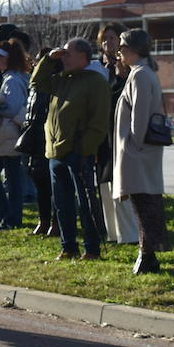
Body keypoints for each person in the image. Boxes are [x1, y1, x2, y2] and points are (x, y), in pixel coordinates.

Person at [30, 37, 111, 260]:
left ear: (83, 56)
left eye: (68, 54)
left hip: (78, 152)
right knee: (62, 204)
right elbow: (36, 83)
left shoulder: (96, 82)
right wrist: (48, 59)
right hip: (55, 151)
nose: (63, 58)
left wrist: (85, 148)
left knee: (85, 203)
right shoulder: (61, 80)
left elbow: (99, 121)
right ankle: (68, 246)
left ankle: (92, 249)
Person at [112, 29, 171, 274]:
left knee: (144, 204)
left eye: (123, 47)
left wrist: (133, 145)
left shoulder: (140, 75)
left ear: (133, 49)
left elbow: (140, 116)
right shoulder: (142, 73)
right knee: (144, 204)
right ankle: (147, 255)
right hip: (142, 151)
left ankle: (146, 255)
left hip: (138, 152)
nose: (119, 52)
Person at [96, 22, 139, 250]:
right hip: (103, 134)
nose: (107, 44)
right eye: (104, 39)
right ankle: (113, 232)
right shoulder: (98, 68)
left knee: (121, 183)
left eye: (111, 38)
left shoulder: (129, 71)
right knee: (105, 182)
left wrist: (119, 74)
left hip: (120, 133)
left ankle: (129, 233)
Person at [0, 40, 30, 230]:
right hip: (6, 136)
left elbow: (12, 108)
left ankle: (9, 217)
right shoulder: (14, 77)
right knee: (3, 176)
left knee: (6, 178)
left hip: (8, 136)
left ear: (6, 59)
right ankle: (3, 215)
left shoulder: (12, 80)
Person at [24, 49, 59, 239]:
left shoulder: (53, 84)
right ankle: (43, 220)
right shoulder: (36, 88)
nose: (36, 64)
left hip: (48, 137)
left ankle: (55, 222)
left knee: (52, 185)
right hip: (36, 138)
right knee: (39, 182)